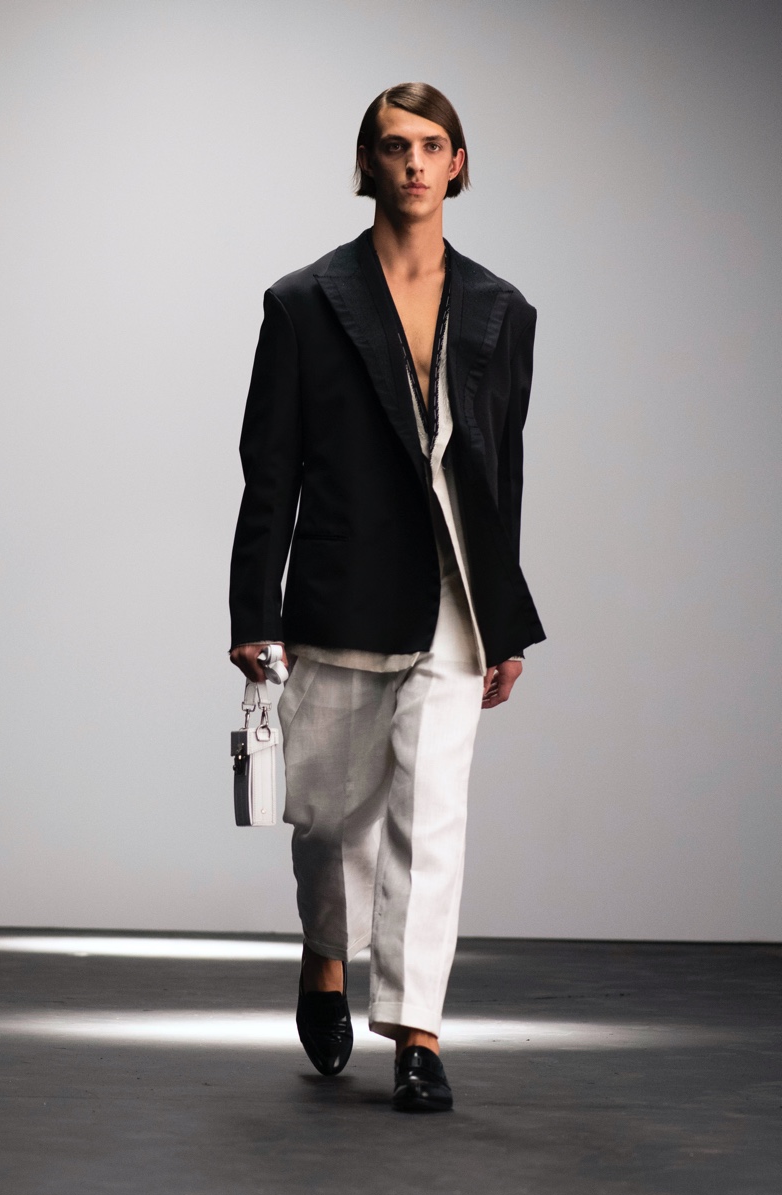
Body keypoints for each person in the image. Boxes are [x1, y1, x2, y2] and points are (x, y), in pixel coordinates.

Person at [229, 82, 545, 1112]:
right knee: (328, 818)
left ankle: (417, 1032)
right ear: (367, 163)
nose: (414, 162)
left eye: (432, 144)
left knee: (430, 817)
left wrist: (503, 617)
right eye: (394, 145)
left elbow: (501, 471)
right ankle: (327, 952)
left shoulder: (502, 309)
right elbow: (268, 470)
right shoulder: (303, 303)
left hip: (455, 597)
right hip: (340, 588)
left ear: (458, 163)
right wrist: (253, 612)